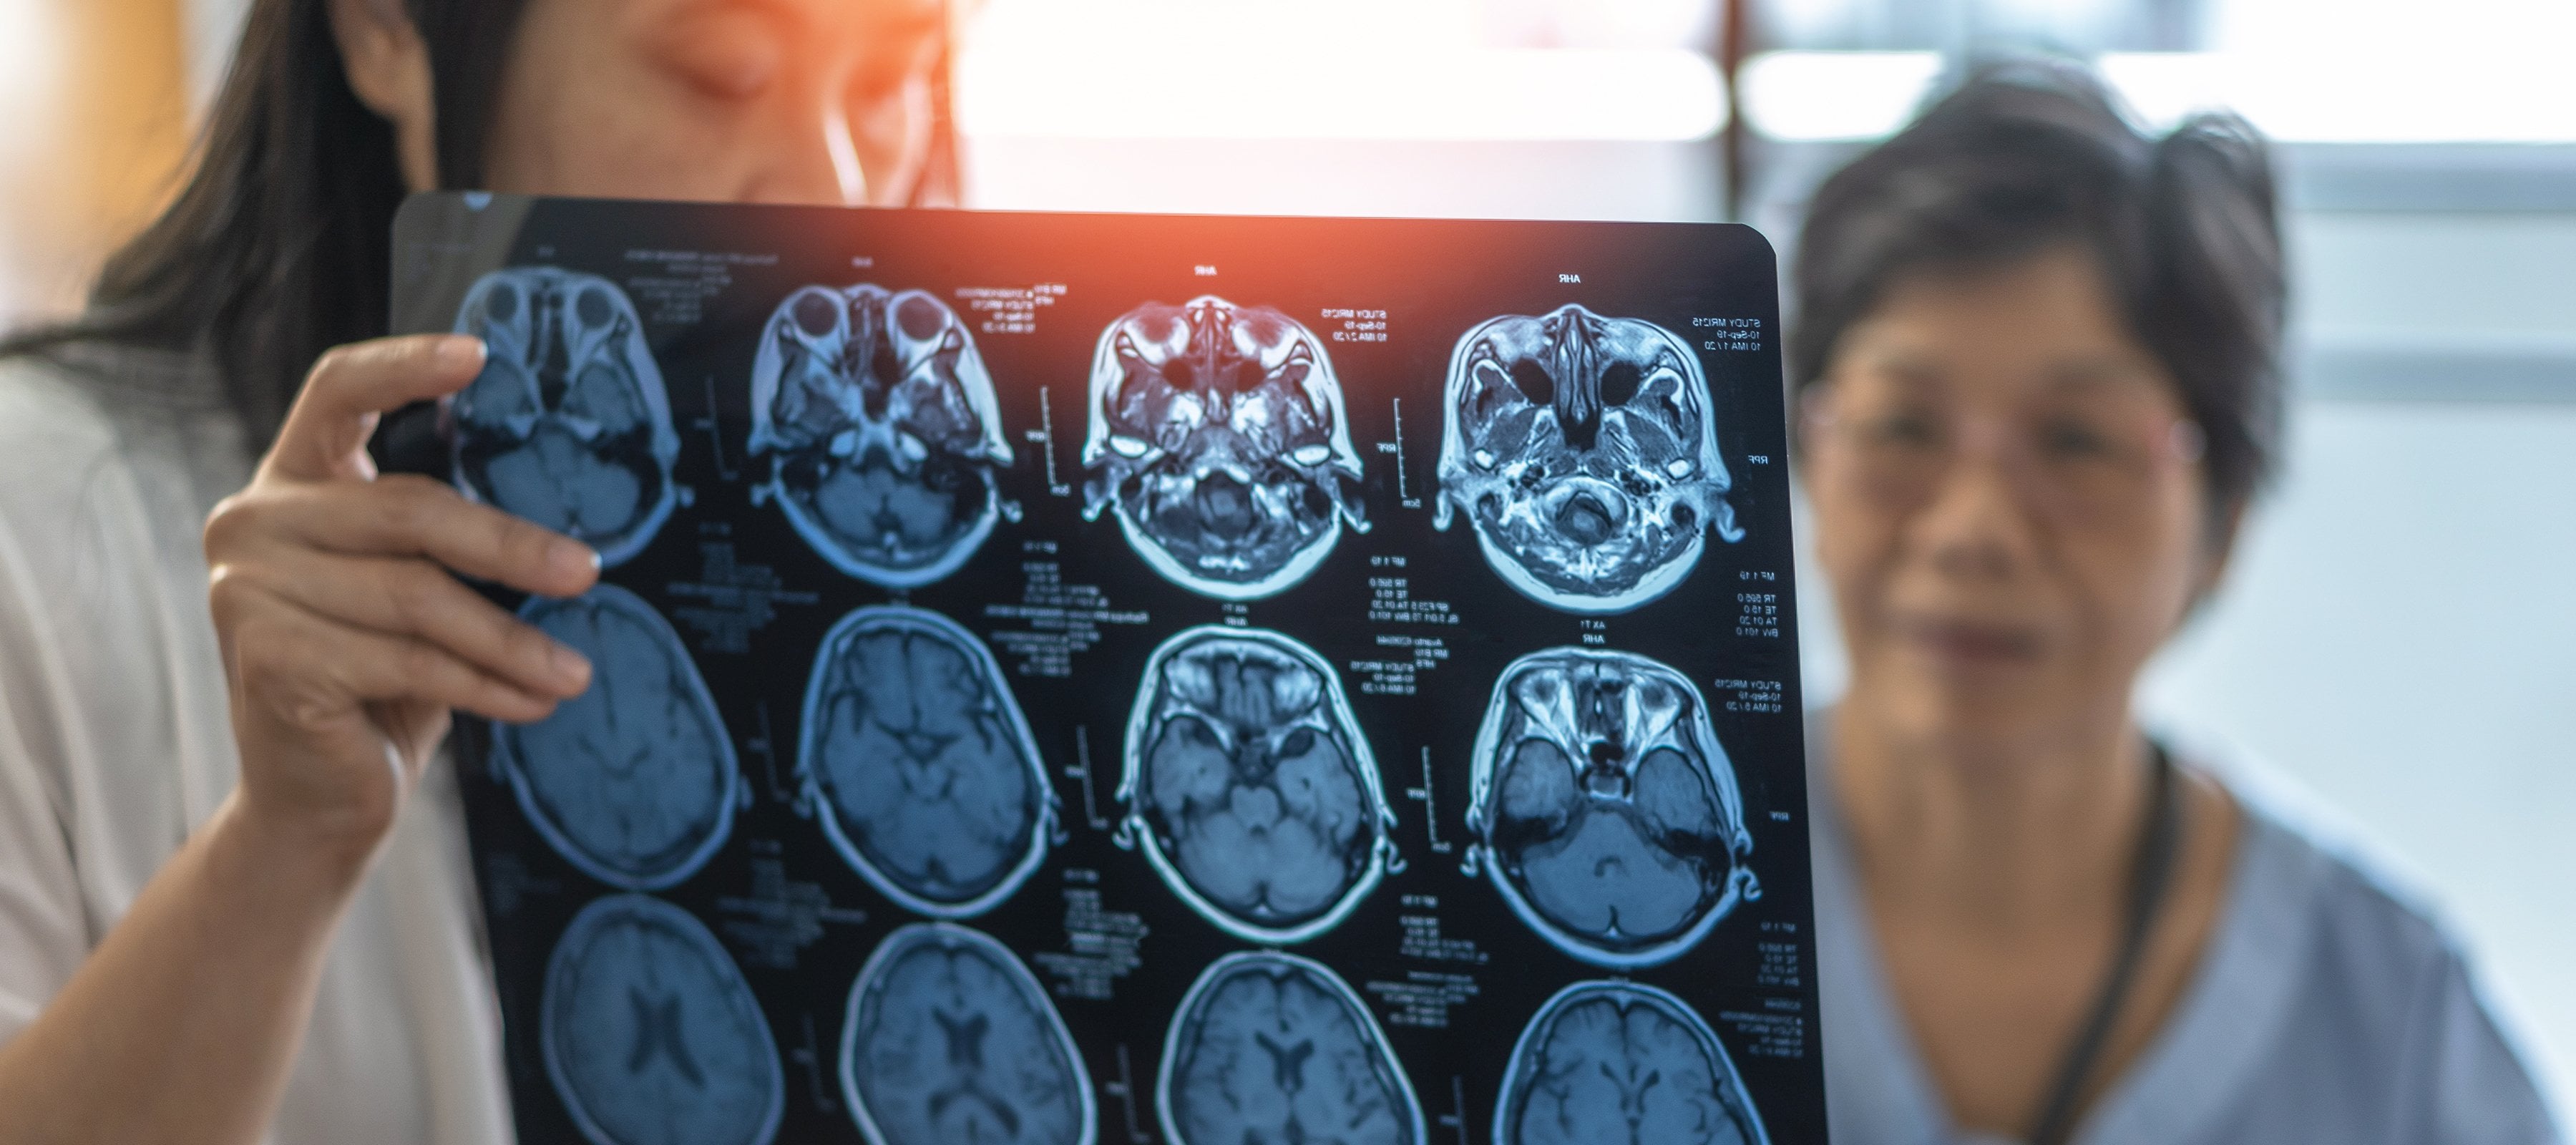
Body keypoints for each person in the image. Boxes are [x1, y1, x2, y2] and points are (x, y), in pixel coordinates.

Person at [0, 0, 956, 1139]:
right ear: (382, 30)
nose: (833, 194)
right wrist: (282, 845)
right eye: (721, 72)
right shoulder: (39, 536)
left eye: (889, 83)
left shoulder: (926, 532)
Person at [1792, 62, 2563, 1144]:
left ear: (2224, 520)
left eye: (2077, 443)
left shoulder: (2392, 1026)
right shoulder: (1586, 903)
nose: (1971, 531)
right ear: (1806, 457)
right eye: (1902, 426)